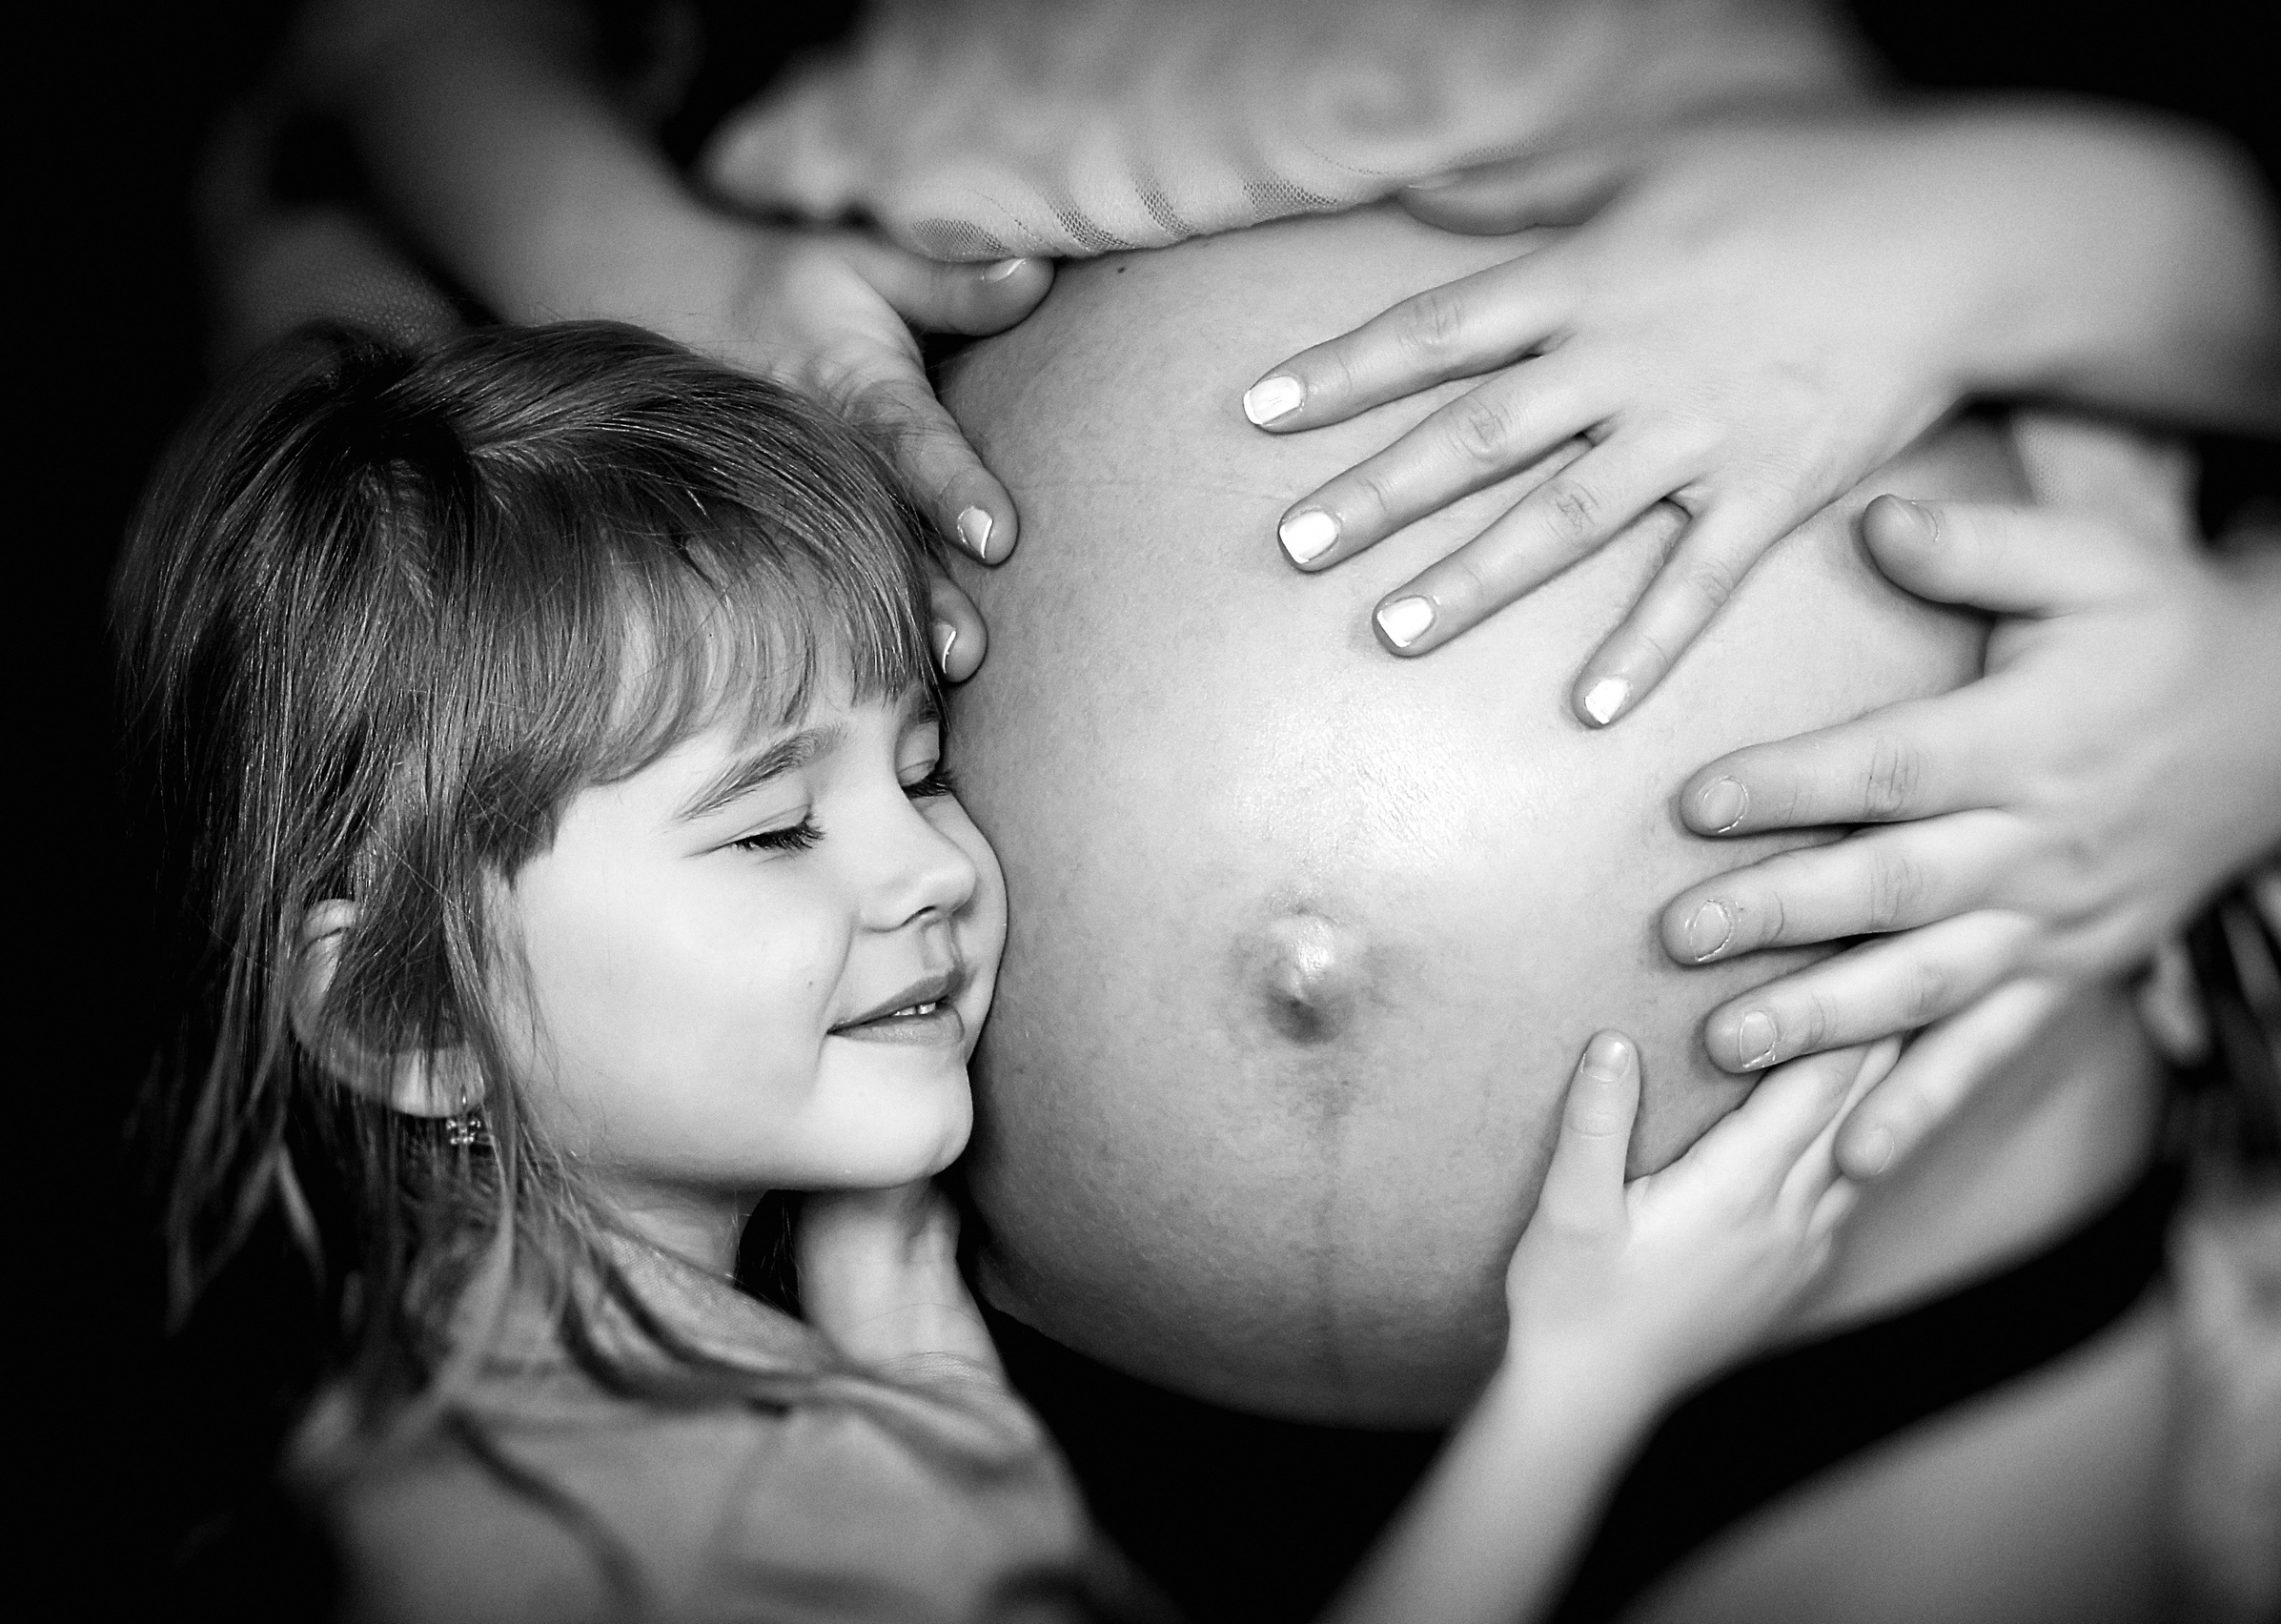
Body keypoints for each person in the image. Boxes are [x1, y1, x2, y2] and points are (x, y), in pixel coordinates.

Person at [117, 318, 1900, 1623]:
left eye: (913, 772)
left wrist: (916, 1355)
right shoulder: (744, 1516)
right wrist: (1580, 1390)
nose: (940, 869)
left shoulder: (476, 1425)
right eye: (768, 830)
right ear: (404, 1014)